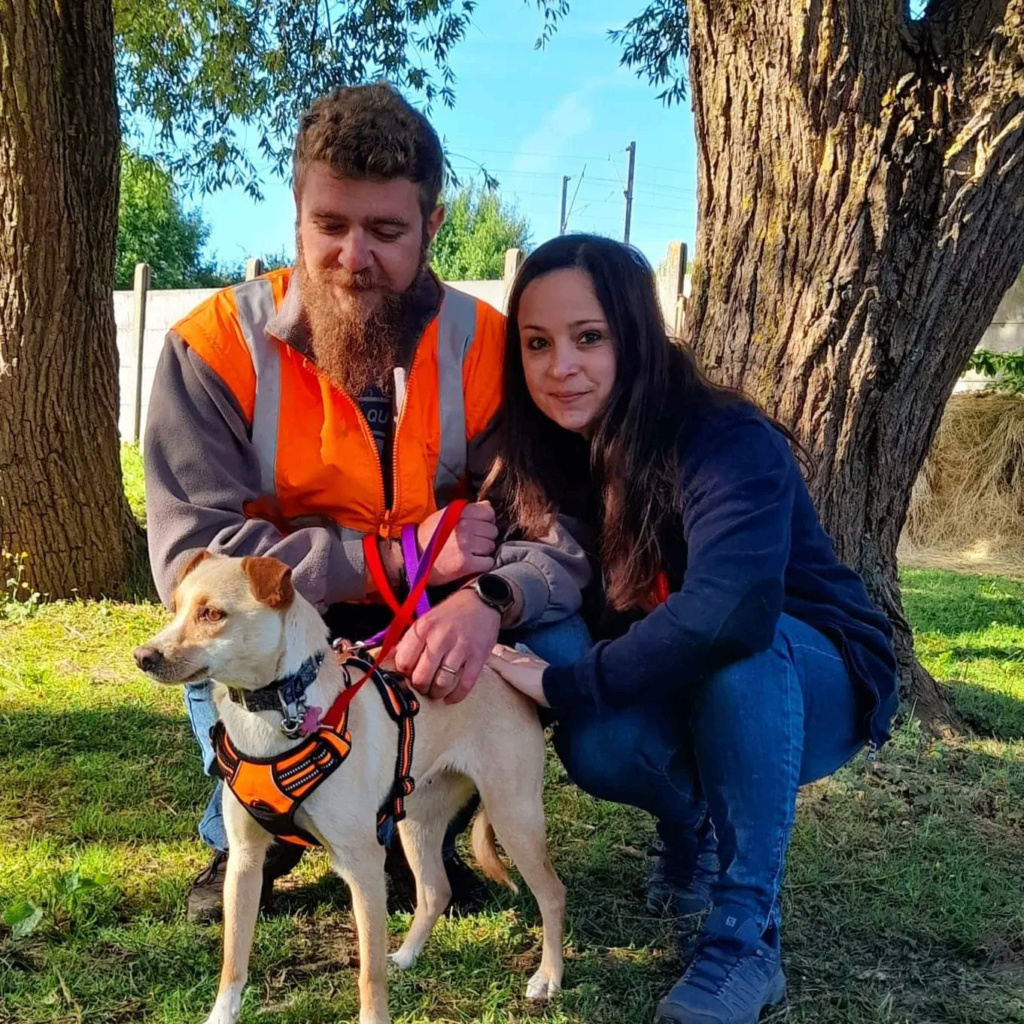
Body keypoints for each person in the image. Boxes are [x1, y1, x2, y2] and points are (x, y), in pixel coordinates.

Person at [144, 83, 590, 924]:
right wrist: (391, 555)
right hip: (290, 621)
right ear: (297, 215)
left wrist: (491, 599)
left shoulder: (488, 346)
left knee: (554, 630)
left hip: (427, 629)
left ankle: (413, 799)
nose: (355, 257)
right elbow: (191, 553)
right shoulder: (209, 348)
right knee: (230, 637)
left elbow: (557, 527)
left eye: (386, 231)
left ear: (433, 226)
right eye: (331, 226)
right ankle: (253, 823)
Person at [485, 234, 899, 1024]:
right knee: (596, 741)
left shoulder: (723, 437)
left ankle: (744, 940)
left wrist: (570, 683)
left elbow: (729, 611)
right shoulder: (553, 453)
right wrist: (482, 595)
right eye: (536, 343)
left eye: (589, 337)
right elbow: (542, 575)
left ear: (636, 335)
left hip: (808, 673)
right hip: (687, 676)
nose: (559, 365)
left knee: (741, 649)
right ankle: (690, 826)